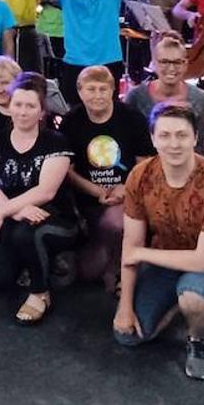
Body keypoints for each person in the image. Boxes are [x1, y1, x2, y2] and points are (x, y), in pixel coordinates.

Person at [113, 103, 204, 381]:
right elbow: (131, 245)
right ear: (153, 138)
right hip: (167, 256)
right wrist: (124, 307)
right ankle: (178, 302)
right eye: (164, 135)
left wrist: (143, 254)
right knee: (129, 336)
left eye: (182, 135)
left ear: (195, 137)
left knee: (194, 297)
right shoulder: (140, 176)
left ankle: (199, 337)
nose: (173, 144)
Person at [0, 73, 78, 325]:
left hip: (53, 214)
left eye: (30, 106)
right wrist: (13, 211)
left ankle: (40, 293)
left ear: (41, 112)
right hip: (14, 213)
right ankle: (42, 263)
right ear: (9, 106)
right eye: (18, 104)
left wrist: (1, 212)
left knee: (26, 233)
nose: (23, 112)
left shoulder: (56, 141)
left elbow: (46, 192)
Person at [60, 67, 153, 294]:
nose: (97, 95)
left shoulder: (132, 118)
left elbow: (146, 164)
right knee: (87, 272)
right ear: (80, 91)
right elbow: (67, 171)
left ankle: (119, 269)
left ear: (113, 90)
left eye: (103, 89)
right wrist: (98, 192)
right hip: (89, 199)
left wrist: (125, 189)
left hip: (127, 195)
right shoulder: (70, 122)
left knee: (114, 224)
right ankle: (107, 251)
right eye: (91, 89)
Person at [123, 33, 204, 164]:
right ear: (154, 63)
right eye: (164, 62)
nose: (171, 68)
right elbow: (127, 145)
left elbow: (198, 147)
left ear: (185, 64)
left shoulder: (199, 98)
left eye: (177, 62)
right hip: (144, 168)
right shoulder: (136, 97)